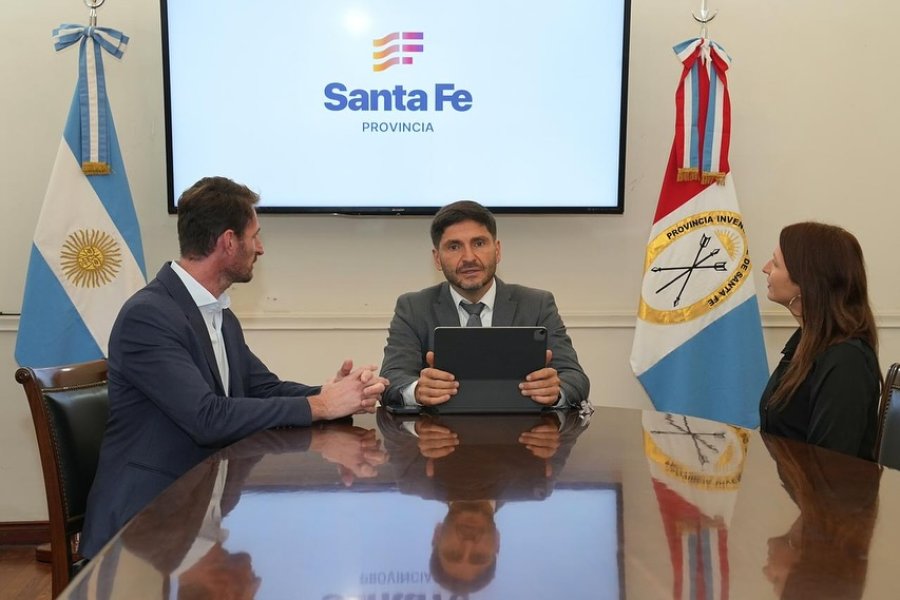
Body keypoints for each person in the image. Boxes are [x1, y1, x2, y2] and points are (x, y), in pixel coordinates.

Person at [81, 176, 388, 557]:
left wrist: (334, 396)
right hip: (146, 525)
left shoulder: (218, 313)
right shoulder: (150, 316)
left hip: (199, 506)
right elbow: (206, 416)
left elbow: (263, 388)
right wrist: (322, 407)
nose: (260, 248)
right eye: (255, 235)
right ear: (229, 241)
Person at [380, 200, 589, 408]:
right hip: (438, 435)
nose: (469, 257)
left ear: (497, 250)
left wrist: (555, 391)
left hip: (521, 434)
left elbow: (575, 377)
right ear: (437, 258)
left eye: (479, 243)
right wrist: (417, 390)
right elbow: (392, 379)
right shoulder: (413, 307)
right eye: (454, 247)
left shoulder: (537, 304)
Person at [759, 222, 881, 460]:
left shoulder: (846, 360)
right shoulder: (804, 342)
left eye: (775, 263)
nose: (765, 268)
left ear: (806, 280)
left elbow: (829, 468)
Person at [762, 434, 880, 600]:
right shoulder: (840, 490)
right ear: (811, 569)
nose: (766, 572)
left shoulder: (812, 495)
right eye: (776, 579)